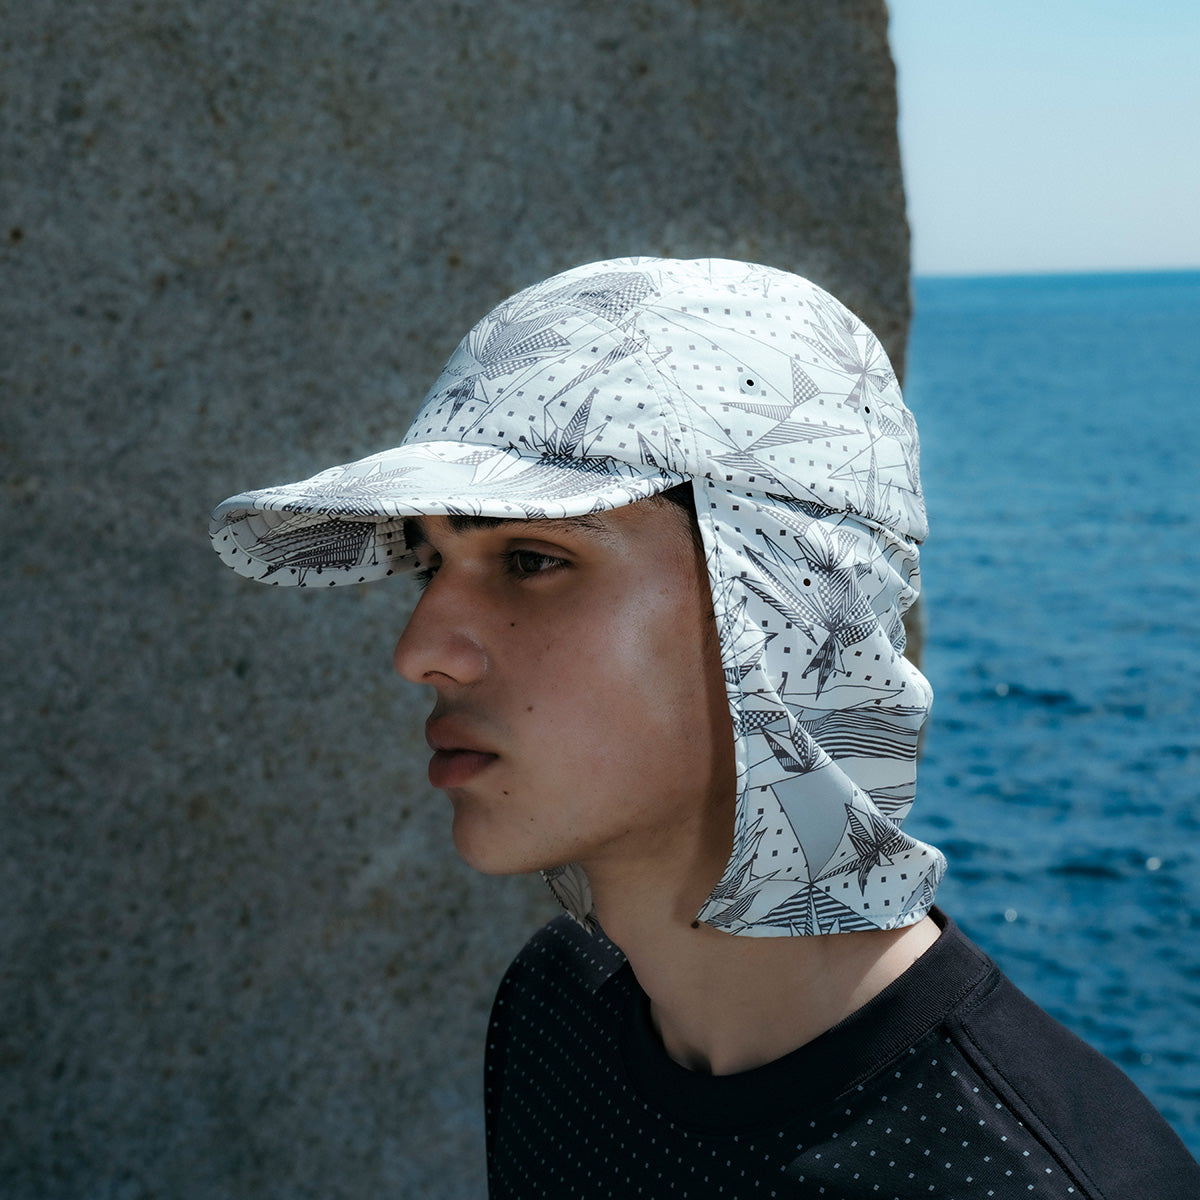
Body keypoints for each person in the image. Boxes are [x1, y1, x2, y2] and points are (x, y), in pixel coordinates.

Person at [210, 257, 1199, 1198]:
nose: (420, 650)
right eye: (430, 565)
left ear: (778, 608)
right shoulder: (558, 1012)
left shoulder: (1029, 1177)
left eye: (531, 559)